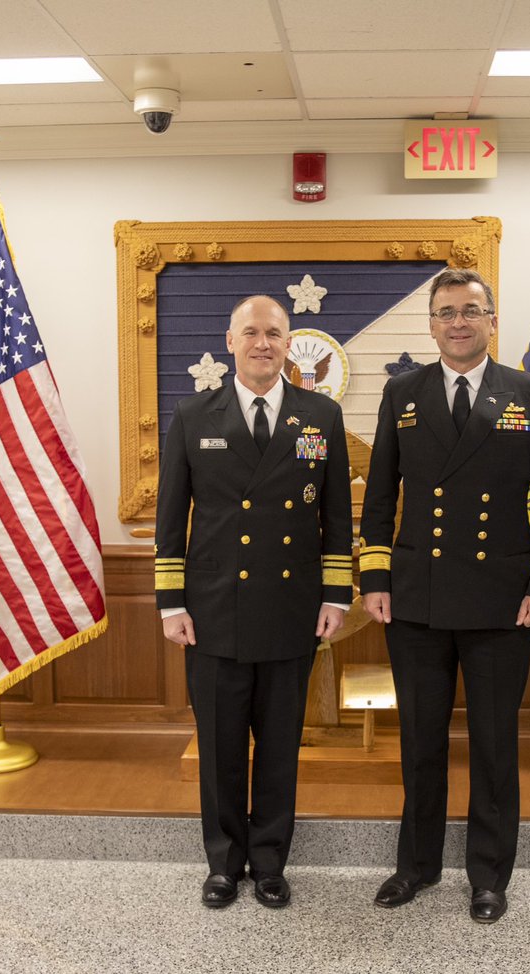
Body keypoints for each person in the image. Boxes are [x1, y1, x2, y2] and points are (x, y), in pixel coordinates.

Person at [359, 268, 530, 924]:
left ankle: (488, 874)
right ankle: (416, 867)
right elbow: (380, 495)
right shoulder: (403, 392)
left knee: (491, 741)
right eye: (447, 312)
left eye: (471, 311)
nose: (459, 322)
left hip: (501, 600)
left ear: (491, 320)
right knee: (421, 741)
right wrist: (375, 576)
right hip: (417, 599)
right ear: (430, 324)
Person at [155, 294, 352, 910]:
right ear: (230, 340)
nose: (263, 342)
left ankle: (269, 862)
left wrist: (336, 595)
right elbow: (170, 521)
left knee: (278, 745)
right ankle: (222, 863)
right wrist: (170, 603)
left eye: (274, 332)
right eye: (251, 332)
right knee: (218, 746)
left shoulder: (320, 415)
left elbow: (336, 517)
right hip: (212, 610)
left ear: (289, 343)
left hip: (292, 608)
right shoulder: (193, 416)